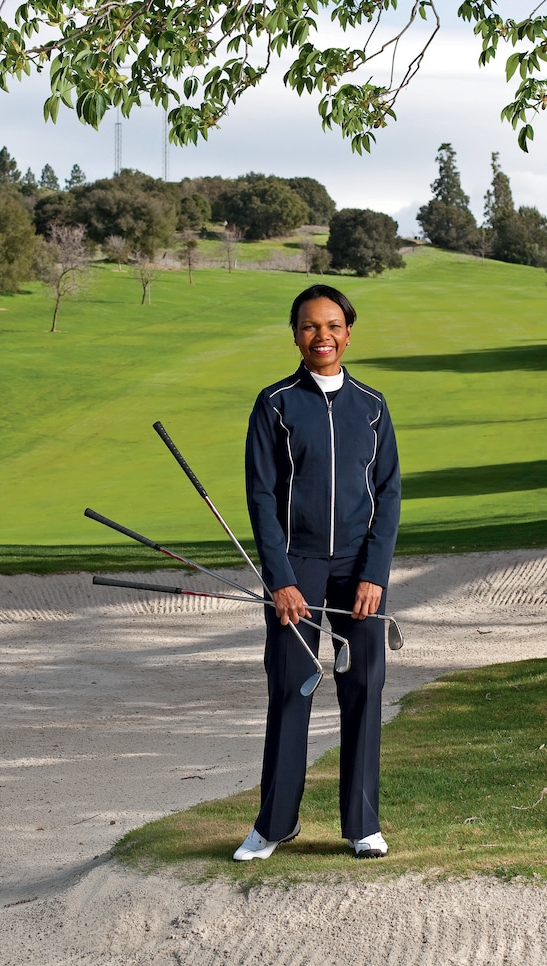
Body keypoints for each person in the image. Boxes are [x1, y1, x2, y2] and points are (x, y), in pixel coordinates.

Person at [234, 284, 401, 861]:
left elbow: (388, 495)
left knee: (363, 688)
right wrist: (278, 578)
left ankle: (362, 826)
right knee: (291, 687)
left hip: (360, 568)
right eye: (309, 326)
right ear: (296, 335)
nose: (322, 336)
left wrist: (375, 574)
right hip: (296, 567)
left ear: (348, 332)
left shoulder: (373, 406)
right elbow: (262, 497)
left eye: (333, 325)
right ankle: (274, 826)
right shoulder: (275, 403)